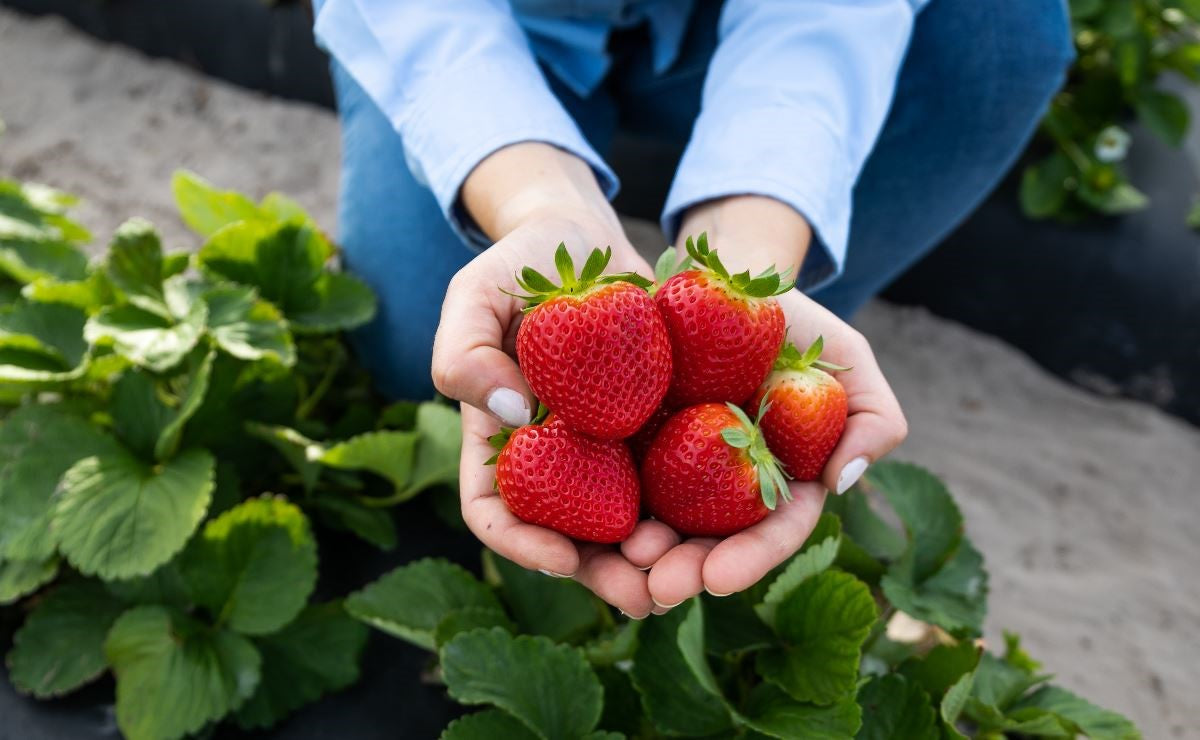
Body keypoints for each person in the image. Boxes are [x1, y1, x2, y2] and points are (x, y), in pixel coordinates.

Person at [310, 0, 1073, 618]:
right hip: (494, 25)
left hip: (732, 27)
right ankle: (742, 365)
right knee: (415, 343)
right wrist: (542, 203)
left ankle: (769, 354)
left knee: (1005, 34)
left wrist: (752, 250)